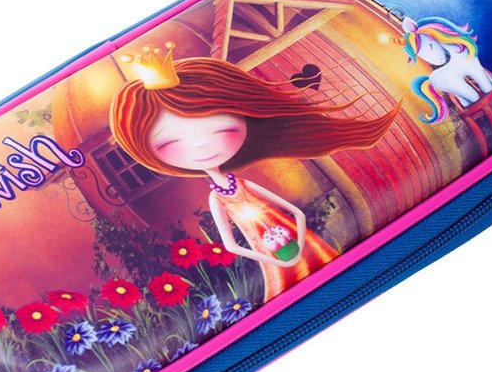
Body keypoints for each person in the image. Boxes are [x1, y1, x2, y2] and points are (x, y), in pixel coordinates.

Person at [109, 50, 400, 301]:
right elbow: (231, 245)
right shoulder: (217, 198)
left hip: (292, 238)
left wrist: (300, 237)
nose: (199, 145)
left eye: (221, 127)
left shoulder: (241, 184)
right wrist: (269, 258)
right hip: (270, 254)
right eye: (169, 143)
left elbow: (295, 212)